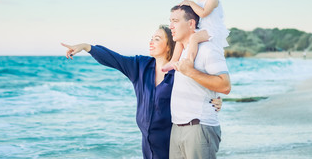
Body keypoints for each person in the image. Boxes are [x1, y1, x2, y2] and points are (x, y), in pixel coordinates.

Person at [61, 25, 223, 159]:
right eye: (151, 38)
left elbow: (202, 85)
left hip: (171, 143)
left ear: (169, 46)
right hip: (148, 144)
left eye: (157, 39)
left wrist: (216, 98)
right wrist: (86, 47)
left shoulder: (178, 71)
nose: (151, 42)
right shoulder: (140, 65)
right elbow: (114, 59)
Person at [168, 5, 231, 159]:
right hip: (177, 127)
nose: (171, 26)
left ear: (191, 24)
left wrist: (191, 72)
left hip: (199, 127)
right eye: (170, 21)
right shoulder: (183, 52)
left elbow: (225, 85)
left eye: (175, 21)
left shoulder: (207, 49)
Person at [162, 0, 229, 72]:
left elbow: (203, 13)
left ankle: (189, 60)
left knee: (193, 38)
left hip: (212, 30)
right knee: (181, 38)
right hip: (202, 28)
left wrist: (190, 3)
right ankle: (173, 60)